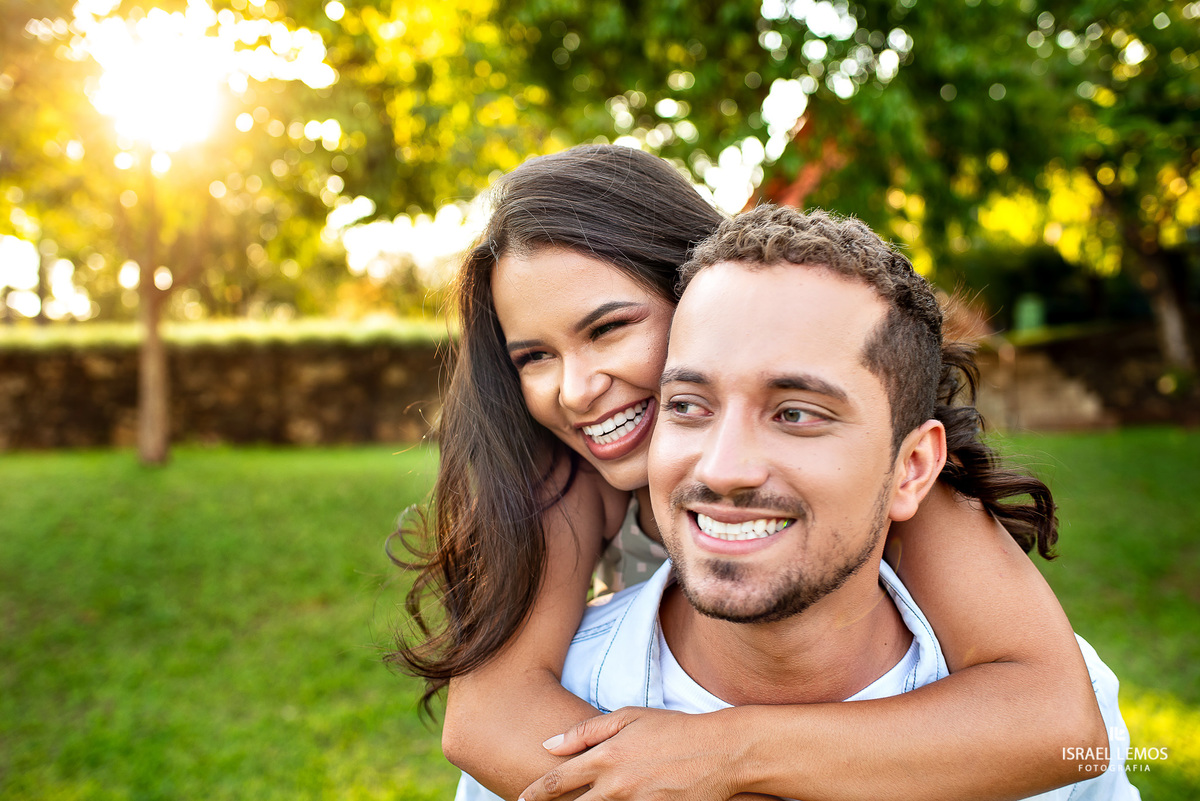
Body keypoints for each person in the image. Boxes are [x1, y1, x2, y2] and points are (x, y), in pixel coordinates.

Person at [390, 146, 1109, 801]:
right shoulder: (570, 479)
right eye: (533, 356)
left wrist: (728, 748)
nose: (576, 389)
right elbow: (490, 717)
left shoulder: (898, 485)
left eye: (608, 328)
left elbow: (1055, 721)